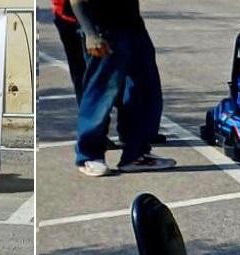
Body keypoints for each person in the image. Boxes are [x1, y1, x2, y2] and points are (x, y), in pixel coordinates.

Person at [70, 0, 175, 177]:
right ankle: (90, 155)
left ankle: (136, 154)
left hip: (132, 25)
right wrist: (90, 32)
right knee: (100, 93)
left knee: (145, 90)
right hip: (103, 28)